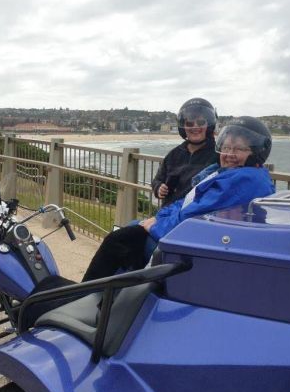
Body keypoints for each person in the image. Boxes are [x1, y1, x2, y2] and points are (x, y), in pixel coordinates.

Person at [82, 116, 276, 282]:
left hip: (194, 244)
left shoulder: (241, 181)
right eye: (226, 147)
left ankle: (84, 297)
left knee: (119, 240)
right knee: (131, 232)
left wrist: (157, 225)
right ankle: (116, 298)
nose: (229, 154)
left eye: (239, 149)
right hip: (202, 237)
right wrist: (159, 218)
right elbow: (187, 202)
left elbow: (193, 213)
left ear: (256, 152)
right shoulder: (235, 175)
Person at [151, 98, 219, 207]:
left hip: (196, 216)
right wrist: (159, 188)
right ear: (183, 127)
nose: (195, 127)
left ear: (209, 126)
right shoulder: (173, 155)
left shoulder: (218, 155)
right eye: (190, 123)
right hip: (167, 214)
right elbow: (157, 180)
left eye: (201, 122)